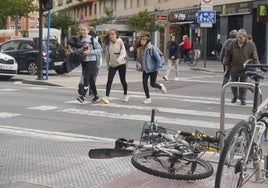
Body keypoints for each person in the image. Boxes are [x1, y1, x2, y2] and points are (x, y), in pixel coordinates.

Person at [223, 28, 259, 105]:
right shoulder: (233, 44)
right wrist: (226, 64)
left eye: (241, 37)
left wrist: (256, 65)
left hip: (245, 68)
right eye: (238, 37)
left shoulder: (250, 44)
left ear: (245, 37)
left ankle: (242, 99)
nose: (239, 39)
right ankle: (235, 96)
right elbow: (227, 55)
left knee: (243, 85)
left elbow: (254, 56)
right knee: (233, 84)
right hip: (235, 67)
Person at [136, 33, 167, 104]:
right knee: (144, 83)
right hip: (145, 70)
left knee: (152, 84)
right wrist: (139, 64)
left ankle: (160, 86)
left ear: (147, 41)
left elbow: (158, 59)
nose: (142, 41)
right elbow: (138, 59)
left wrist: (158, 69)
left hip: (153, 69)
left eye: (144, 40)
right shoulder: (141, 49)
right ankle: (148, 98)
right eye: (141, 39)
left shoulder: (152, 48)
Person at [100, 28, 129, 104]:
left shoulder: (120, 42)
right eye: (110, 34)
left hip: (121, 64)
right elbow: (107, 56)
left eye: (113, 34)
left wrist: (119, 59)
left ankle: (125, 94)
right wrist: (108, 66)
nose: (111, 36)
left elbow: (123, 53)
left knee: (123, 80)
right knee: (109, 81)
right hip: (112, 65)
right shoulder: (108, 44)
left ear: (116, 34)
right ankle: (106, 97)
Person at [76, 23, 102, 104]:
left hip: (92, 60)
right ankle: (96, 96)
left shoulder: (92, 39)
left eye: (84, 30)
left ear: (88, 31)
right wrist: (82, 49)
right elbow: (77, 50)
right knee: (91, 80)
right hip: (84, 61)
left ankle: (83, 96)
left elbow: (100, 49)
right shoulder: (79, 39)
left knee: (86, 77)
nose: (83, 31)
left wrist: (90, 52)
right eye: (81, 30)